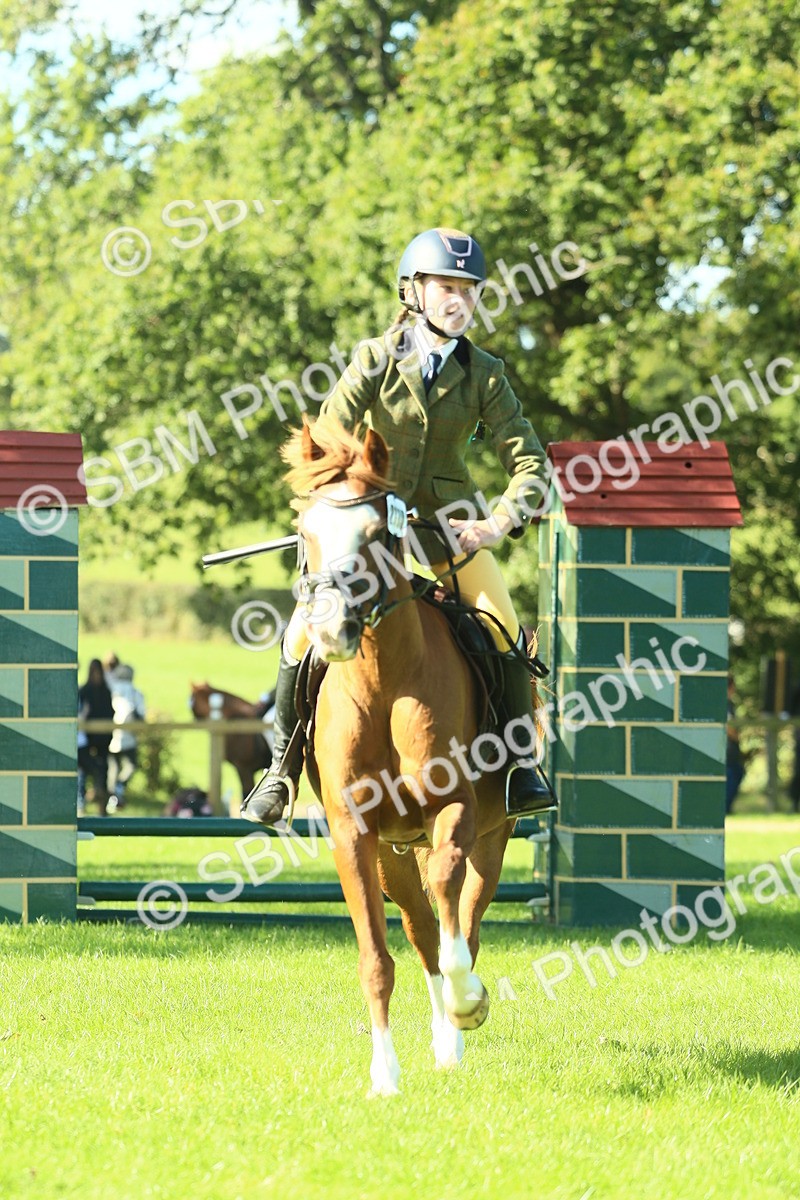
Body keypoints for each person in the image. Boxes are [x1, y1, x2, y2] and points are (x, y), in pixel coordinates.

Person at [242, 225, 555, 827]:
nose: (459, 300)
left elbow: (530, 463)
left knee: (503, 629)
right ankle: (279, 769)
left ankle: (519, 766)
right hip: (364, 531)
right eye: (445, 286)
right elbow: (327, 442)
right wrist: (338, 509)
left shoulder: (486, 373)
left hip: (448, 530)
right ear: (413, 291)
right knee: (301, 636)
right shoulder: (375, 359)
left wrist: (497, 523)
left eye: (469, 289)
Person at [107, 663, 146, 811]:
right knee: (130, 766)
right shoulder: (135, 693)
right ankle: (118, 792)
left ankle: (114, 798)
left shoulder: (111, 690)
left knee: (113, 768)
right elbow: (141, 715)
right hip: (128, 736)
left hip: (111, 736)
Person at [78, 659, 115, 815]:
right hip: (86, 739)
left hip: (102, 738)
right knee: (85, 771)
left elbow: (109, 713)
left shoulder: (105, 691)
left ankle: (102, 805)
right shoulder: (85, 691)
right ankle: (81, 803)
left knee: (102, 770)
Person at [726, 675, 746, 814]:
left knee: (737, 772)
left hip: (730, 750)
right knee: (734, 774)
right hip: (728, 750)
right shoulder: (725, 703)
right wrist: (737, 737)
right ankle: (725, 808)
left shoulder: (728, 703)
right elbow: (728, 727)